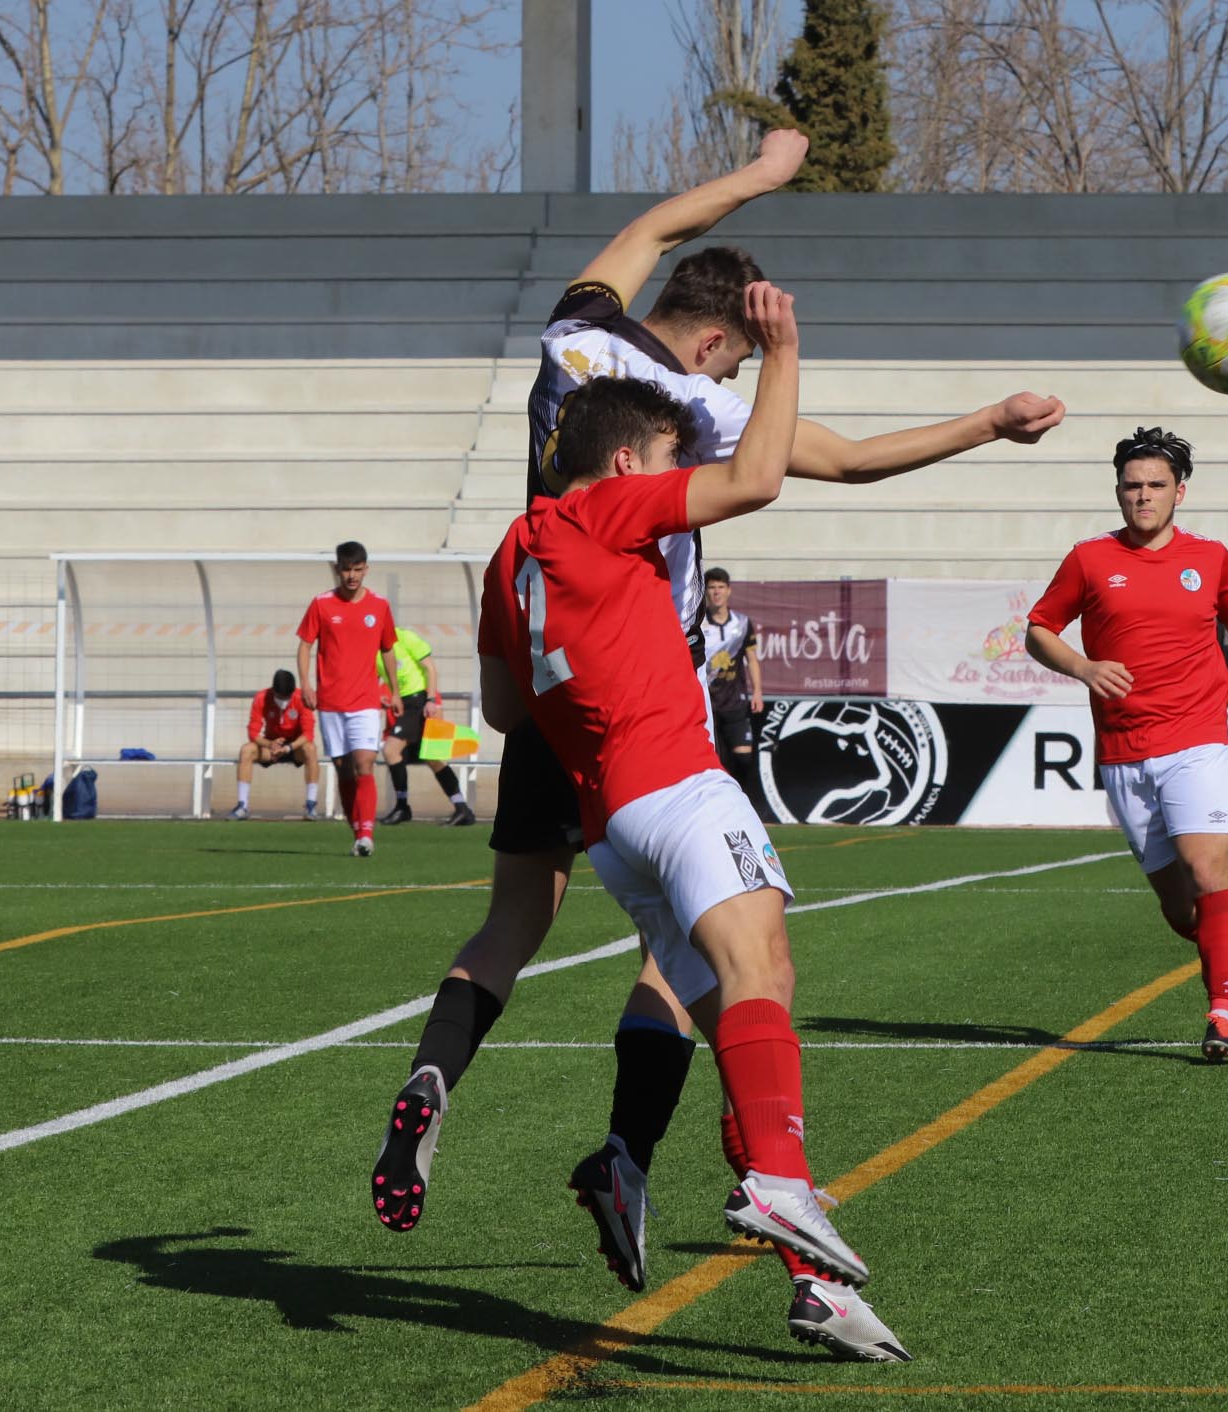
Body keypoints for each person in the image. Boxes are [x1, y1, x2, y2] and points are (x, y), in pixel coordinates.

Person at [371, 128, 1059, 1360]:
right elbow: (819, 465)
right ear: (711, 344)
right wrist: (986, 420)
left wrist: (751, 179)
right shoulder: (671, 443)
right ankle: (716, 1174)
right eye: (732, 360)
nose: (728, 393)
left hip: (569, 732)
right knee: (752, 974)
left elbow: (642, 238)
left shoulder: (565, 360)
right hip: (661, 739)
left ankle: (778, 1252)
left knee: (562, 941)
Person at [479, 290, 892, 1332]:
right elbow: (756, 477)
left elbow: (500, 705)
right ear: (626, 465)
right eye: (668, 462)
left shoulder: (512, 550)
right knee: (769, 974)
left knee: (734, 1024)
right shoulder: (605, 508)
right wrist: (789, 346)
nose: (677, 484)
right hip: (676, 778)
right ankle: (779, 1193)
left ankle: (819, 1287)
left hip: (614, 821)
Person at [1024, 427, 1228, 1062]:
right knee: (1181, 909)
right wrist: (1082, 667)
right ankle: (1218, 949)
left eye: (1156, 485)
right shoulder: (1088, 559)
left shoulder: (1210, 558)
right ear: (1118, 491)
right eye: (1132, 486)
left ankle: (1224, 1015)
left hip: (1198, 739)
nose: (1143, 497)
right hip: (1124, 753)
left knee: (1209, 871)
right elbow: (1039, 629)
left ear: (1179, 492)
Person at [296, 542, 401, 857]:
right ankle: (357, 831)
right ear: (337, 569)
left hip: (366, 700)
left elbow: (388, 649)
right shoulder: (321, 604)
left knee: (364, 762)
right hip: (330, 701)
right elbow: (304, 646)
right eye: (346, 569)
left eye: (358, 569)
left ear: (366, 569)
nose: (352, 576)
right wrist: (306, 685)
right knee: (343, 768)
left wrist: (394, 690)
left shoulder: (379, 606)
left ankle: (367, 833)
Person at [376, 626, 476, 827]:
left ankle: (402, 807)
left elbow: (430, 668)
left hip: (418, 701)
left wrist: (431, 700)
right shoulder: (373, 648)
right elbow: (377, 680)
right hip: (403, 704)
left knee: (391, 750)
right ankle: (462, 808)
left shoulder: (405, 638)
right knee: (432, 757)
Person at [700, 568, 767, 811]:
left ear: (728, 591)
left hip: (735, 701)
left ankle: (743, 806)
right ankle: (719, 809)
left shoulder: (741, 623)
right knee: (716, 761)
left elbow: (752, 658)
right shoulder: (698, 624)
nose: (716, 593)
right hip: (706, 704)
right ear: (705, 592)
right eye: (712, 588)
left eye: (720, 587)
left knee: (744, 757)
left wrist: (757, 691)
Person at [228, 669, 320, 821]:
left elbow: (308, 734)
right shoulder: (261, 698)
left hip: (294, 747)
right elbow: (253, 732)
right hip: (270, 746)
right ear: (273, 690)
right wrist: (270, 744)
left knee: (310, 748)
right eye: (279, 697)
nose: (283, 701)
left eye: (287, 698)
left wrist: (289, 747)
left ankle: (310, 806)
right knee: (246, 750)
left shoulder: (301, 698)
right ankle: (242, 806)